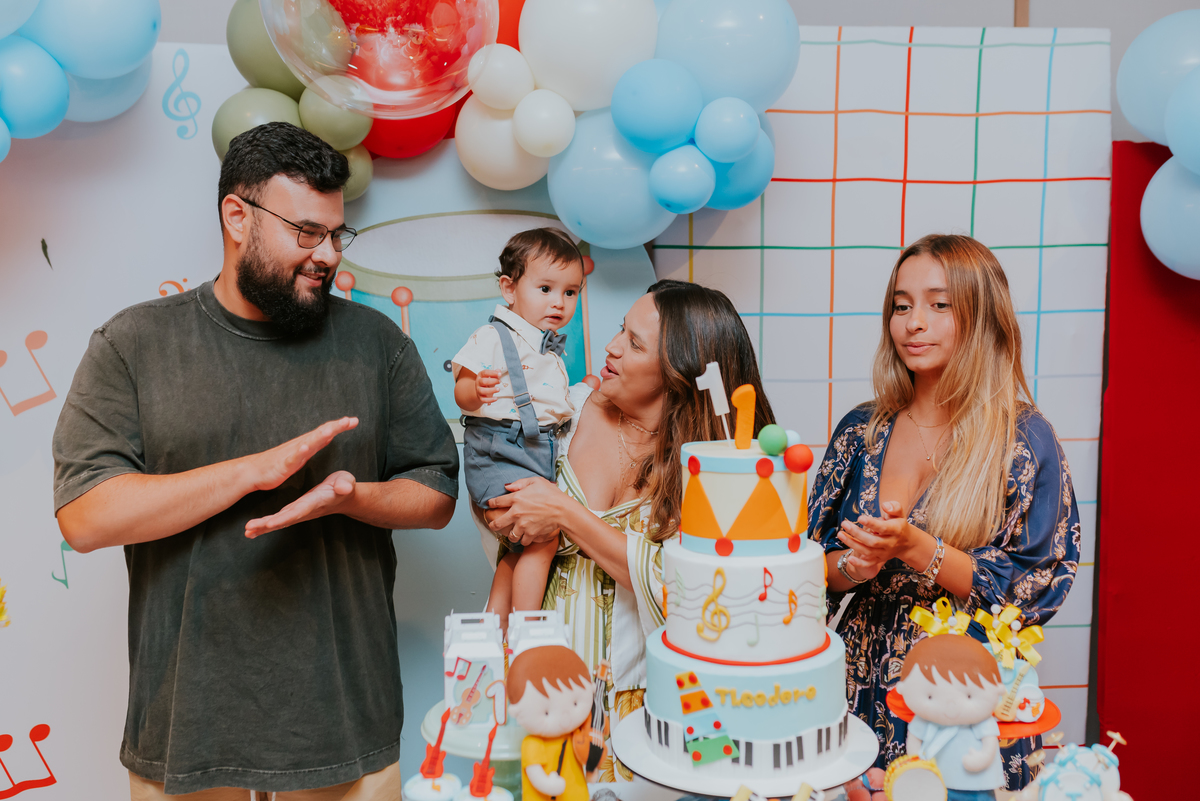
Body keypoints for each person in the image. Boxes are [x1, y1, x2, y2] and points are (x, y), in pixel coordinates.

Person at [51, 122, 459, 800]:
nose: (326, 254)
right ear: (237, 217)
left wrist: (352, 496)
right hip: (186, 729)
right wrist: (249, 473)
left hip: (345, 724)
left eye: (337, 234)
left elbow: (436, 490)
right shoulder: (134, 343)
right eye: (306, 232)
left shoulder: (376, 343)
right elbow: (85, 516)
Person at [808, 234, 1080, 796]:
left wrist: (916, 547)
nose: (914, 323)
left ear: (982, 317)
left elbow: (1033, 590)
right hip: (861, 690)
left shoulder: (1024, 440)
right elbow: (808, 575)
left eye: (939, 305)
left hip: (966, 699)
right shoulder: (861, 431)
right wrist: (859, 565)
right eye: (901, 305)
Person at [482, 279, 774, 781]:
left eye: (635, 343)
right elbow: (507, 515)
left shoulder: (719, 466)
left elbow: (690, 593)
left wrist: (566, 513)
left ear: (680, 372)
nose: (612, 347)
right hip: (546, 694)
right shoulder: (562, 413)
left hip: (653, 708)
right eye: (621, 330)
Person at [452, 228, 584, 634]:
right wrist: (476, 390)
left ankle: (494, 631)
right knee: (544, 538)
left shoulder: (547, 349)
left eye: (570, 292)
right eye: (546, 288)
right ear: (509, 289)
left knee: (518, 547)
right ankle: (529, 630)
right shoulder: (492, 336)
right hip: (499, 450)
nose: (558, 302)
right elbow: (460, 390)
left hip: (535, 452)